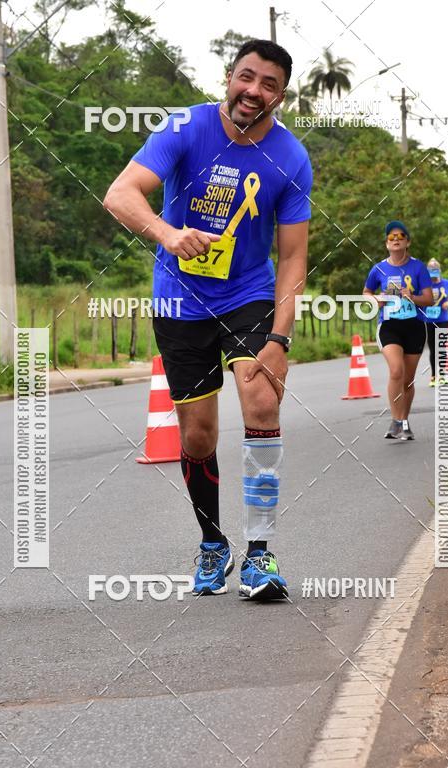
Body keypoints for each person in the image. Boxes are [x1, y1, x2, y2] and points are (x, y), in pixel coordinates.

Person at [103, 39, 312, 599]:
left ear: (280, 96)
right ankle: (214, 543)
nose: (254, 91)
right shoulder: (185, 128)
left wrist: (280, 337)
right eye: (247, 77)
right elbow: (120, 194)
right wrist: (168, 235)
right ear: (229, 76)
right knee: (197, 434)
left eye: (269, 85)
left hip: (248, 294)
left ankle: (260, 555)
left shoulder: (291, 157)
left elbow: (293, 257)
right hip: (181, 298)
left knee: (262, 401)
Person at [363, 221, 434, 440]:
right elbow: (366, 292)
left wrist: (411, 296)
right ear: (386, 243)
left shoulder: (418, 267)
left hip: (414, 326)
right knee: (396, 370)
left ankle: (404, 420)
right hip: (389, 325)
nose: (395, 239)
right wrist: (377, 299)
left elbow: (429, 299)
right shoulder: (378, 269)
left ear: (407, 242)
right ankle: (396, 421)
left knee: (407, 380)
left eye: (400, 236)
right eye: (391, 237)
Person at [420, 258, 448, 387]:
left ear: (439, 271)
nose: (433, 275)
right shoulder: (424, 285)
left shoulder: (446, 283)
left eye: (435, 271)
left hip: (443, 320)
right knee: (433, 349)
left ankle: (443, 375)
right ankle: (434, 376)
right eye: (431, 272)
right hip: (429, 320)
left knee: (442, 347)